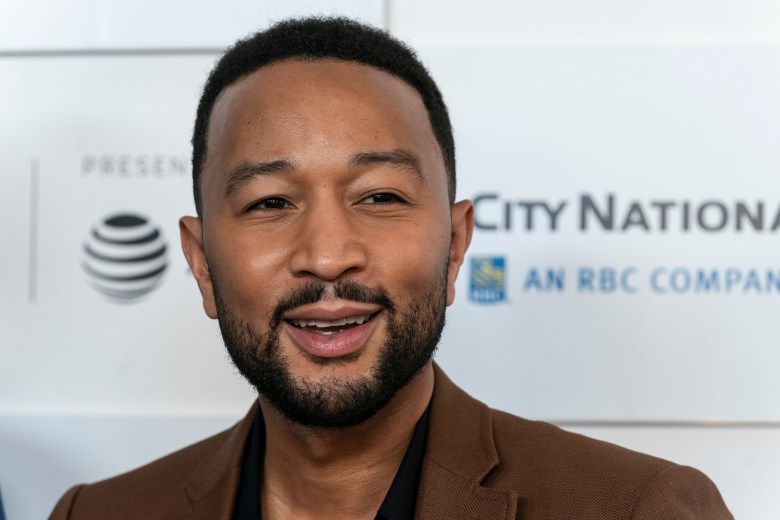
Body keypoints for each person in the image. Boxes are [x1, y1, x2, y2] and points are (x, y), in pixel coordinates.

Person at [50, 17, 733, 520]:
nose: (326, 254)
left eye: (379, 196)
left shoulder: (639, 509)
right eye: (270, 202)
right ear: (202, 265)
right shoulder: (101, 513)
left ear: (456, 243)